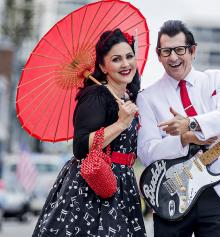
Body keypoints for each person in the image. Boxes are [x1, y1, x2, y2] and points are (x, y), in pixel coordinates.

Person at [32, 29, 147, 237]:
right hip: (92, 187)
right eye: (116, 59)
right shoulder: (96, 95)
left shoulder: (130, 97)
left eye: (129, 56)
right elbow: (80, 147)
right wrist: (120, 123)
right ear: (103, 67)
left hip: (124, 184)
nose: (125, 64)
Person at [137, 20, 220, 237]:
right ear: (158, 55)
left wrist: (190, 123)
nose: (174, 57)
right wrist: (183, 139)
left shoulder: (217, 79)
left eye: (180, 50)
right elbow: (147, 153)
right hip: (171, 196)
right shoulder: (147, 97)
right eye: (166, 51)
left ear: (193, 50)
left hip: (219, 192)